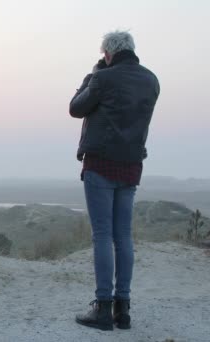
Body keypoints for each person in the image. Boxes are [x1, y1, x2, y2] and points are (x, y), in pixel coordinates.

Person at [69, 30, 160, 331]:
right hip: (132, 165)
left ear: (107, 53)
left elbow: (76, 108)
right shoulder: (151, 80)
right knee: (123, 237)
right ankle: (123, 309)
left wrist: (93, 74)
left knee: (102, 236)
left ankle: (103, 308)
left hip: (101, 164)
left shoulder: (103, 78)